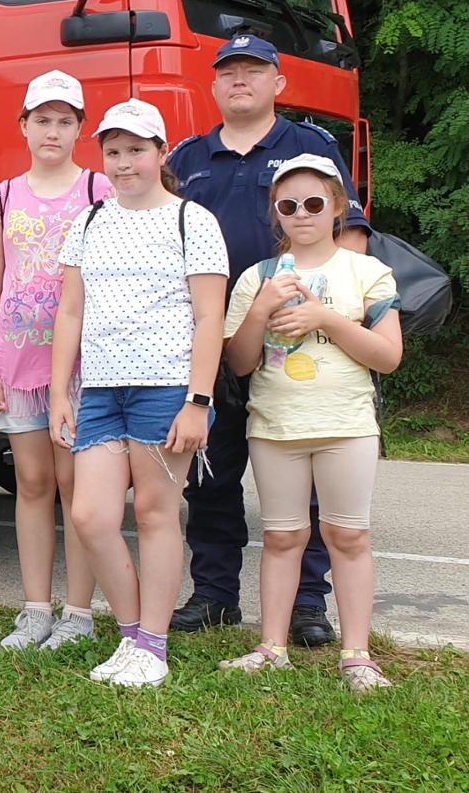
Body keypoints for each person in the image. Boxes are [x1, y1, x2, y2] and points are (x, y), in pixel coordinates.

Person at [167, 34, 372, 645]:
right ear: (213, 85)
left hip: (300, 341)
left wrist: (333, 313)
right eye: (228, 72)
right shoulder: (188, 156)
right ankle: (214, 594)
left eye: (254, 71)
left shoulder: (311, 147)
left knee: (304, 479)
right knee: (210, 475)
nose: (240, 80)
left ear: (278, 83)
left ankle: (308, 604)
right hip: (216, 343)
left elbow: (351, 236)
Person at [50, 99, 228, 687]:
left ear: (161, 152)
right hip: (100, 389)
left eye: (136, 150)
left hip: (166, 387)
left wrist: (197, 401)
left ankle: (153, 645)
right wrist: (59, 394)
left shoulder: (192, 221)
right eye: (113, 151)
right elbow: (70, 311)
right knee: (90, 516)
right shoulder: (90, 221)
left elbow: (209, 317)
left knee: (155, 514)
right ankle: (131, 637)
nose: (124, 163)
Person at [217, 154, 401, 691]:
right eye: (288, 205)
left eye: (314, 203)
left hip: (347, 424)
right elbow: (240, 363)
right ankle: (271, 648)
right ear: (275, 214)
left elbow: (388, 356)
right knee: (282, 537)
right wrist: (259, 310)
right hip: (275, 425)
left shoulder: (365, 271)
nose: (302, 214)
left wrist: (324, 318)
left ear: (338, 208)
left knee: (347, 535)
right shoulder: (259, 276)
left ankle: (357, 655)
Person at [0, 70, 112, 649]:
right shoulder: (2, 196)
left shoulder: (98, 190)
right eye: (42, 119)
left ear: (80, 129)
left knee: (76, 484)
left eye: (65, 120)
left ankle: (78, 613)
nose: (52, 130)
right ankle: (35, 609)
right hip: (18, 365)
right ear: (24, 126)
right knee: (30, 482)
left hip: (79, 367)